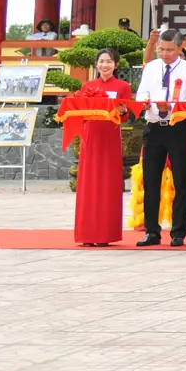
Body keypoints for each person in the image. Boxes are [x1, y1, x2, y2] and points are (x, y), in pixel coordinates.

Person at [134, 29, 186, 246]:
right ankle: (152, 231)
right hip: (154, 127)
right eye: (161, 49)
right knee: (151, 180)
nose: (164, 54)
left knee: (181, 180)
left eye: (169, 50)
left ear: (180, 48)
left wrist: (172, 108)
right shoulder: (152, 67)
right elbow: (142, 92)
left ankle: (178, 232)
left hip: (177, 127)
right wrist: (146, 101)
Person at [73, 47, 130, 246]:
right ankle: (87, 234)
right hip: (91, 137)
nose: (105, 65)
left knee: (107, 184)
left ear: (116, 65)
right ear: (96, 64)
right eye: (101, 61)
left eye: (109, 62)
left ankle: (105, 234)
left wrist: (122, 109)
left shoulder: (123, 86)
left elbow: (126, 115)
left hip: (110, 137)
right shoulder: (88, 85)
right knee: (88, 184)